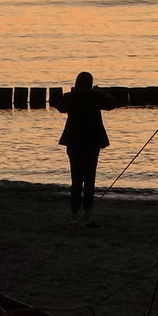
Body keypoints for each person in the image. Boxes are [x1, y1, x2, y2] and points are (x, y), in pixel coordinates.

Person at [54, 71, 116, 226]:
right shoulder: (94, 97)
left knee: (76, 179)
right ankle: (87, 216)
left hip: (73, 141)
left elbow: (59, 106)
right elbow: (112, 104)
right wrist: (100, 92)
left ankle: (74, 215)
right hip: (92, 141)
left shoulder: (71, 97)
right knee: (89, 179)